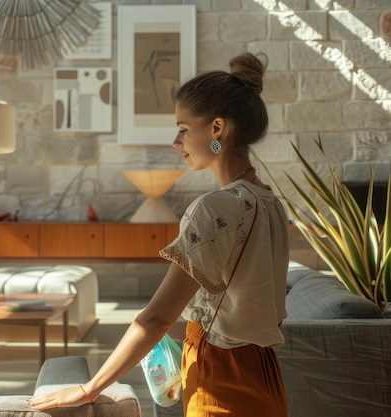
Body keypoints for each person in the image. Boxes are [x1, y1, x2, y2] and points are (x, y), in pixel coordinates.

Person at [29, 51, 290, 416]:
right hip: (265, 377)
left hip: (221, 382)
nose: (176, 141)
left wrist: (89, 389)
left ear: (217, 129)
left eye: (183, 128)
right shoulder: (271, 204)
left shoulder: (212, 208)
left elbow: (154, 318)